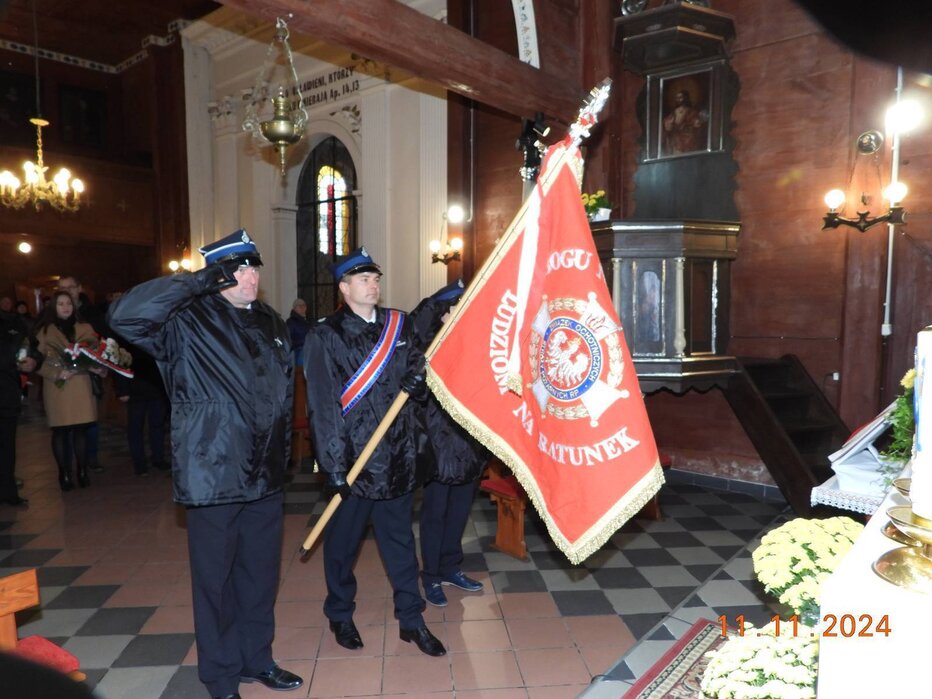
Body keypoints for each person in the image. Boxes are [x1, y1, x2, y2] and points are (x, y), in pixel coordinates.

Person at [108, 230, 302, 699]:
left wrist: (282, 455)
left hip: (265, 472)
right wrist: (194, 282)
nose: (251, 278)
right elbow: (123, 316)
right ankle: (220, 676)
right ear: (217, 275)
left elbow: (281, 393)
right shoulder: (184, 321)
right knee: (214, 582)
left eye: (254, 268)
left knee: (260, 576)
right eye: (238, 270)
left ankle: (258, 659)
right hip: (213, 471)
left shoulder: (272, 321)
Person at [303, 246, 445, 657]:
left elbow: (417, 371)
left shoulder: (397, 325)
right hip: (354, 464)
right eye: (363, 279)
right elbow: (323, 405)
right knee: (343, 545)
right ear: (344, 287)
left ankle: (412, 620)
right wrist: (333, 465)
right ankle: (340, 612)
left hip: (397, 458)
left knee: (400, 543)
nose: (373, 285)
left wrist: (420, 384)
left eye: (376, 278)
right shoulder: (325, 335)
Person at [409, 280, 489, 606]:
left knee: (459, 513)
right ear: (443, 311)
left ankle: (450, 567)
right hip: (439, 447)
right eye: (456, 307)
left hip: (468, 446)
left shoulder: (473, 344)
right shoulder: (427, 349)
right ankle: (431, 576)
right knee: (435, 514)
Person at [33, 292, 105, 491]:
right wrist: (56, 372)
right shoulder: (44, 331)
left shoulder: (85, 328)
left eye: (69, 304)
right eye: (61, 304)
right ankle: (64, 473)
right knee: (60, 432)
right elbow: (34, 362)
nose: (66, 307)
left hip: (81, 385)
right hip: (59, 387)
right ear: (53, 307)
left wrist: (98, 367)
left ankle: (82, 470)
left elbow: (98, 354)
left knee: (81, 430)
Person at [57, 276, 108, 473]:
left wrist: (98, 364)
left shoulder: (92, 314)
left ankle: (90, 458)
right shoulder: (51, 315)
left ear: (79, 288)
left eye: (70, 287)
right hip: (62, 377)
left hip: (88, 376)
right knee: (64, 424)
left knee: (89, 421)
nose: (67, 291)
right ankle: (68, 464)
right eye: (62, 288)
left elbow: (102, 341)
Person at [0, 303, 39, 507]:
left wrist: (33, 361)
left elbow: (33, 347)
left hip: (7, 394)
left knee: (7, 447)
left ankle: (7, 491)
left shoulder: (12, 322)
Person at [113, 339, 168, 476]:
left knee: (157, 426)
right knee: (135, 428)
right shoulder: (127, 336)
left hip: (156, 387)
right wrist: (122, 390)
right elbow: (120, 362)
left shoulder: (155, 335)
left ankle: (158, 458)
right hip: (135, 389)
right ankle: (139, 463)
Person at [662, 88, 708, 156]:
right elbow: (668, 121)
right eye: (677, 98)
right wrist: (668, 123)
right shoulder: (674, 112)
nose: (679, 99)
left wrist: (694, 123)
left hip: (687, 136)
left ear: (686, 98)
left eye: (681, 97)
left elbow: (696, 122)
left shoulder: (691, 112)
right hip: (676, 136)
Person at [285, 298, 310, 366]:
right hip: (298, 351)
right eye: (299, 306)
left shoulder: (308, 321)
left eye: (304, 305)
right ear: (294, 309)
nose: (302, 308)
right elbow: (288, 339)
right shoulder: (290, 322)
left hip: (308, 349)